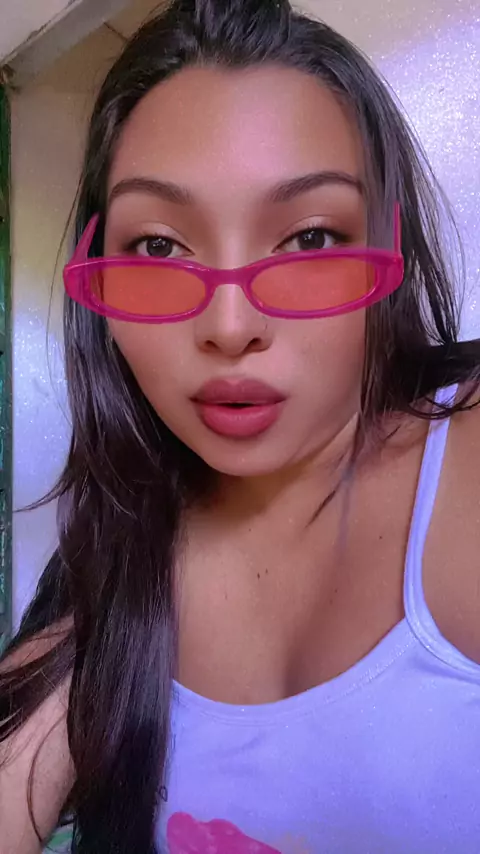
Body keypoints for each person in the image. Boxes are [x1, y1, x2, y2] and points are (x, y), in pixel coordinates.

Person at [1, 0, 480, 851]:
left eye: (309, 237)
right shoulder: (115, 563)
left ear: (390, 246)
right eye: (159, 247)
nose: (229, 326)